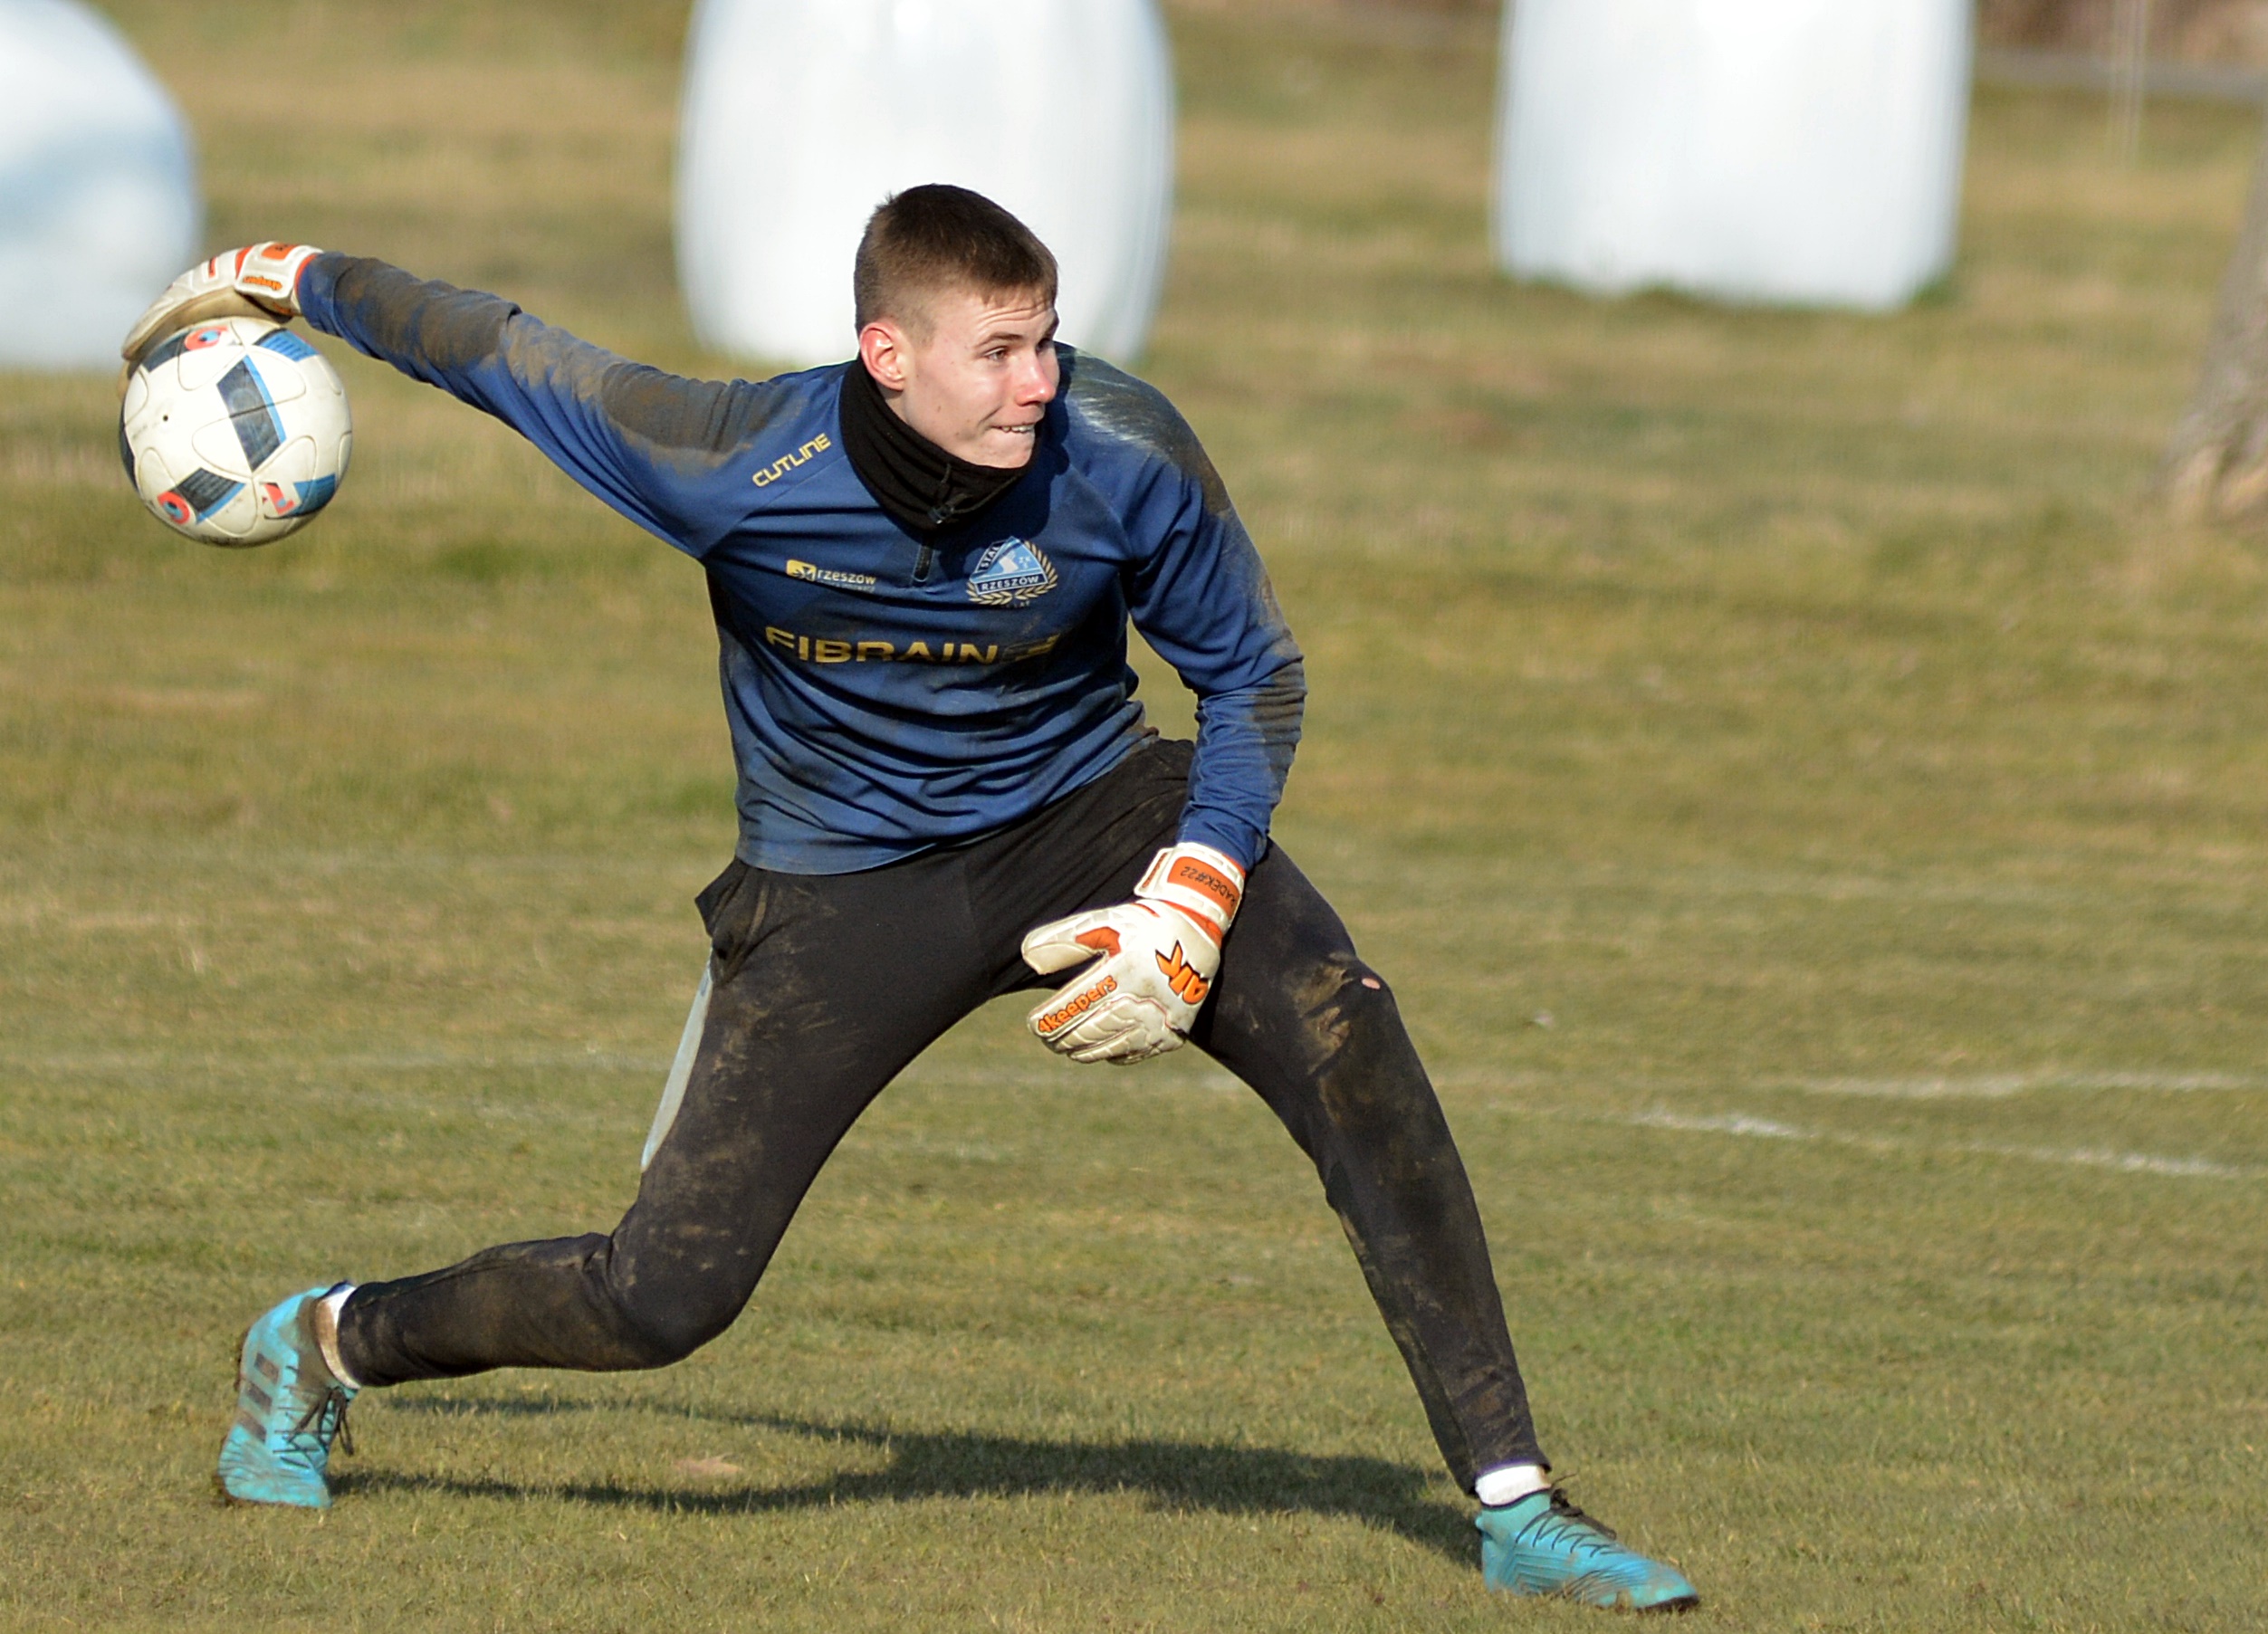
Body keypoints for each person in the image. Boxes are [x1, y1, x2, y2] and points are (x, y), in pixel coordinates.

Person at [130, 186, 1695, 1613]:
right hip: (842, 886)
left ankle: (1518, 1504)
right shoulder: (727, 459)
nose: (1041, 382)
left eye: (1048, 341)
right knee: (661, 1296)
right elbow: (493, 349)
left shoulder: (1122, 453)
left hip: (1098, 814)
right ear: (887, 354)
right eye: (999, 351)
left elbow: (1252, 675)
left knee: (1347, 1030)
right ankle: (323, 1341)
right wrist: (287, 275)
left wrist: (1199, 886)